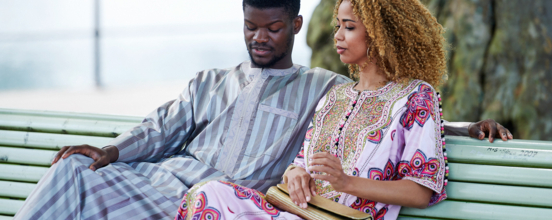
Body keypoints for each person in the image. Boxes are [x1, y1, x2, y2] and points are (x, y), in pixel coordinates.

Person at [14, 0, 511, 219]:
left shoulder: (323, 87)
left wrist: (468, 127)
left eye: (271, 28)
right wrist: (110, 151)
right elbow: (160, 127)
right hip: (161, 185)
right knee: (72, 170)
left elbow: (394, 116)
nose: (258, 37)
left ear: (295, 26)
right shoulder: (212, 81)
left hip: (222, 201)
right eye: (250, 26)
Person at [174, 0, 499, 219]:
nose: (337, 36)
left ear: (380, 33)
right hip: (298, 211)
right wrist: (296, 173)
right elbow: (300, 163)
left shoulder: (416, 96)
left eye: (349, 27)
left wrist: (347, 183)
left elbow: (419, 191)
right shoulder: (336, 96)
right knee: (209, 193)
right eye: (338, 26)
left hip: (348, 218)